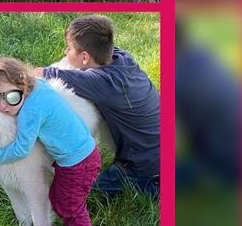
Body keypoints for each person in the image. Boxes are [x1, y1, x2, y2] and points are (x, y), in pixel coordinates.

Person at [36, 15, 160, 198]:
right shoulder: (123, 57)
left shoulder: (102, 83)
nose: (65, 52)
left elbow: (47, 73)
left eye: (69, 48)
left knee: (96, 191)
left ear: (85, 57)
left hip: (144, 162)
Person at [0, 57, 102, 226]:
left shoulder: (30, 112)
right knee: (56, 196)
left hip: (78, 162)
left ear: (23, 86)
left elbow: (21, 148)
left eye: (10, 97)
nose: (3, 106)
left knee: (69, 203)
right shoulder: (39, 87)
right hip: (80, 154)